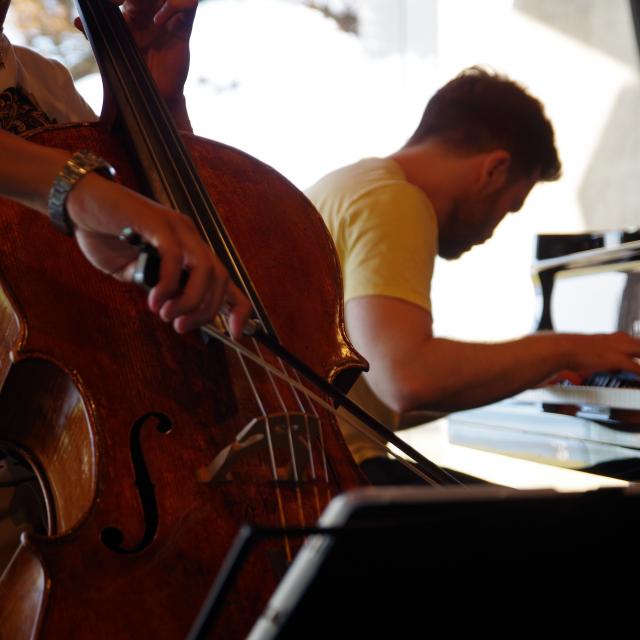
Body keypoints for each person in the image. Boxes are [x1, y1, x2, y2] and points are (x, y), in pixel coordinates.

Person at [0, 0, 250, 571]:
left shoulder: (43, 80)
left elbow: (148, 233)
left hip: (73, 469)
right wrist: (78, 188)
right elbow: (87, 197)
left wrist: (153, 110)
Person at [306, 67, 640, 484]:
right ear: (494, 169)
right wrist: (566, 348)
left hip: (325, 469)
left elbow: (382, 395)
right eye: (510, 205)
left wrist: (524, 374)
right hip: (338, 476)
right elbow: (408, 380)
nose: (492, 230)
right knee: (591, 528)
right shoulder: (394, 201)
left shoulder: (352, 186)